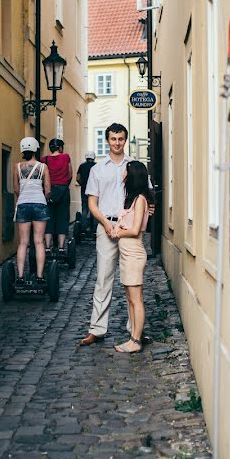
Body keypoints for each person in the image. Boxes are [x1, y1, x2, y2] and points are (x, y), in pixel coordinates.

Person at [79, 123, 153, 347]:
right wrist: (106, 224)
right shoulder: (97, 169)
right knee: (103, 278)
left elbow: (146, 195)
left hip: (129, 231)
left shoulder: (135, 166)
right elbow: (92, 203)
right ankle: (97, 329)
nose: (117, 143)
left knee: (131, 282)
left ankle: (135, 331)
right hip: (107, 226)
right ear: (107, 140)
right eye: (113, 139)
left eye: (121, 139)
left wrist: (149, 209)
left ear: (125, 139)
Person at [111, 160, 153, 353]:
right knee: (130, 298)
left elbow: (135, 230)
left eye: (125, 172)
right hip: (127, 254)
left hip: (134, 253)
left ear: (132, 176)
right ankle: (134, 336)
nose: (123, 175)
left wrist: (118, 232)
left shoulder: (140, 200)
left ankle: (135, 341)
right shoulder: (134, 199)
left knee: (136, 299)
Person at [12, 136, 51, 288]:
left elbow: (16, 189)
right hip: (39, 204)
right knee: (39, 241)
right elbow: (48, 190)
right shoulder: (43, 167)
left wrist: (23, 197)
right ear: (36, 149)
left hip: (23, 204)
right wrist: (44, 198)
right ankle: (40, 276)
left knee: (23, 242)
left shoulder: (17, 167)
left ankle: (21, 276)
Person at [42, 137, 73, 253]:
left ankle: (48, 247)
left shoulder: (44, 159)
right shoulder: (65, 157)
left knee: (49, 218)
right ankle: (61, 247)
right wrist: (64, 184)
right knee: (62, 218)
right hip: (63, 191)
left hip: (49, 191)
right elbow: (70, 174)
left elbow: (43, 177)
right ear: (60, 147)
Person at [75, 151, 98, 235]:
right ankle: (94, 229)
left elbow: (77, 178)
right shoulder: (97, 166)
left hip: (84, 190)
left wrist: (83, 184)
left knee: (85, 209)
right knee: (94, 209)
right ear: (93, 157)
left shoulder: (82, 166)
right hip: (95, 191)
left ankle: (83, 229)